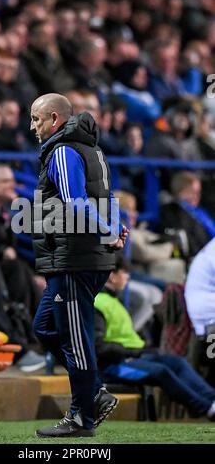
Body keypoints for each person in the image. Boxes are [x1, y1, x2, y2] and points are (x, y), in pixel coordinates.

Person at [30, 93, 128, 438]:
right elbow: (107, 198)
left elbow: (75, 203)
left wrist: (108, 230)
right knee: (44, 327)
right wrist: (114, 228)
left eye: (37, 119)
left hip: (74, 258)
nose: (33, 127)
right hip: (84, 256)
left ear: (55, 119)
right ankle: (95, 392)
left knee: (75, 340)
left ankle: (82, 414)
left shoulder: (61, 151)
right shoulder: (94, 150)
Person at [94, 258, 215, 421]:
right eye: (124, 273)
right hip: (113, 365)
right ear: (112, 276)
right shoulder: (98, 304)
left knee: (177, 363)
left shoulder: (112, 301)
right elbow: (99, 347)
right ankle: (206, 409)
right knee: (161, 372)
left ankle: (212, 399)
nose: (128, 277)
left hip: (132, 357)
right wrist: (134, 351)